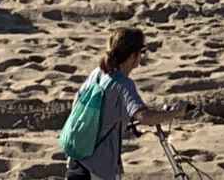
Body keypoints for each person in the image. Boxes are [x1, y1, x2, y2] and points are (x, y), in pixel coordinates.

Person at [64, 28, 191, 180]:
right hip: (97, 169)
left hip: (77, 160)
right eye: (141, 51)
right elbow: (144, 117)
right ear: (133, 56)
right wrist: (177, 112)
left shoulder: (98, 73)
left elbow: (78, 102)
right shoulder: (123, 84)